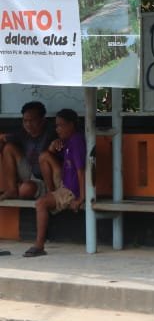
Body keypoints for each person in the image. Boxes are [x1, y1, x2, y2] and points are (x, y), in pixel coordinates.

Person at [24, 109, 87, 259]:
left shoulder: (77, 141)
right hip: (64, 183)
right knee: (44, 156)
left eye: (61, 125)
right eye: (56, 126)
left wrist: (81, 198)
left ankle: (39, 245)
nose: (58, 129)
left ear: (71, 125)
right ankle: (51, 192)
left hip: (71, 190)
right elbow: (50, 157)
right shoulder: (68, 141)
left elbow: (81, 171)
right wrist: (52, 148)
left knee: (41, 203)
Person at [0, 100, 53, 201]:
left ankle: (22, 189)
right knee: (9, 148)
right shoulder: (23, 133)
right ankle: (12, 190)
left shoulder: (51, 133)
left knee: (25, 189)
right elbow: (3, 138)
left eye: (32, 120)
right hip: (29, 173)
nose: (28, 124)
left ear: (42, 120)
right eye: (25, 121)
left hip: (46, 180)